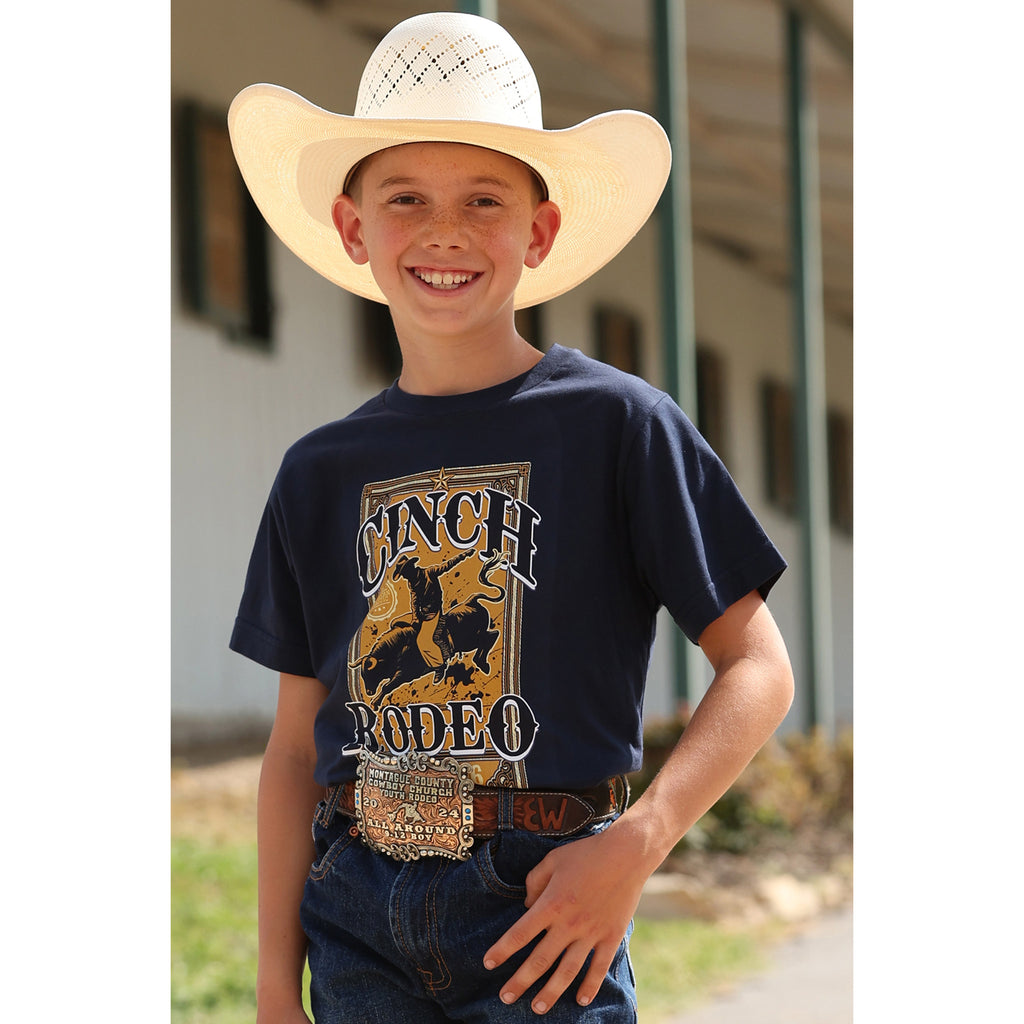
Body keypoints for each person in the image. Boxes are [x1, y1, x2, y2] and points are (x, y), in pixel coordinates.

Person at [227, 11, 794, 1023]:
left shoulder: (620, 424)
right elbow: (291, 748)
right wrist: (274, 986)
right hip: (355, 907)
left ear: (538, 231)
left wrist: (636, 843)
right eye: (405, 199)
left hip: (544, 906)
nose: (444, 230)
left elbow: (758, 668)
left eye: (484, 199)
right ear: (354, 229)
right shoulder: (317, 472)